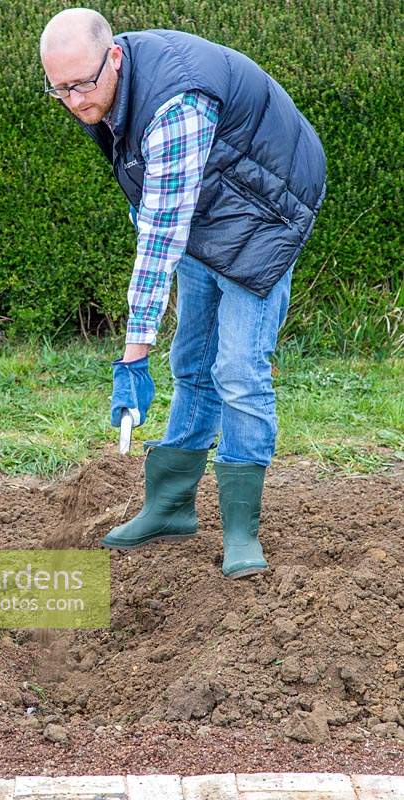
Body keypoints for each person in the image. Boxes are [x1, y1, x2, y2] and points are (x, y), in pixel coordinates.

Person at [39, 8, 327, 578]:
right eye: (59, 89)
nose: (73, 101)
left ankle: (241, 530)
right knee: (193, 360)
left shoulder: (176, 104)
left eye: (81, 85)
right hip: (208, 207)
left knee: (239, 368)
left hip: (267, 213)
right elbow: (149, 192)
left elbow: (162, 229)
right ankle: (171, 506)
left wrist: (132, 352)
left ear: (113, 57)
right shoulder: (104, 87)